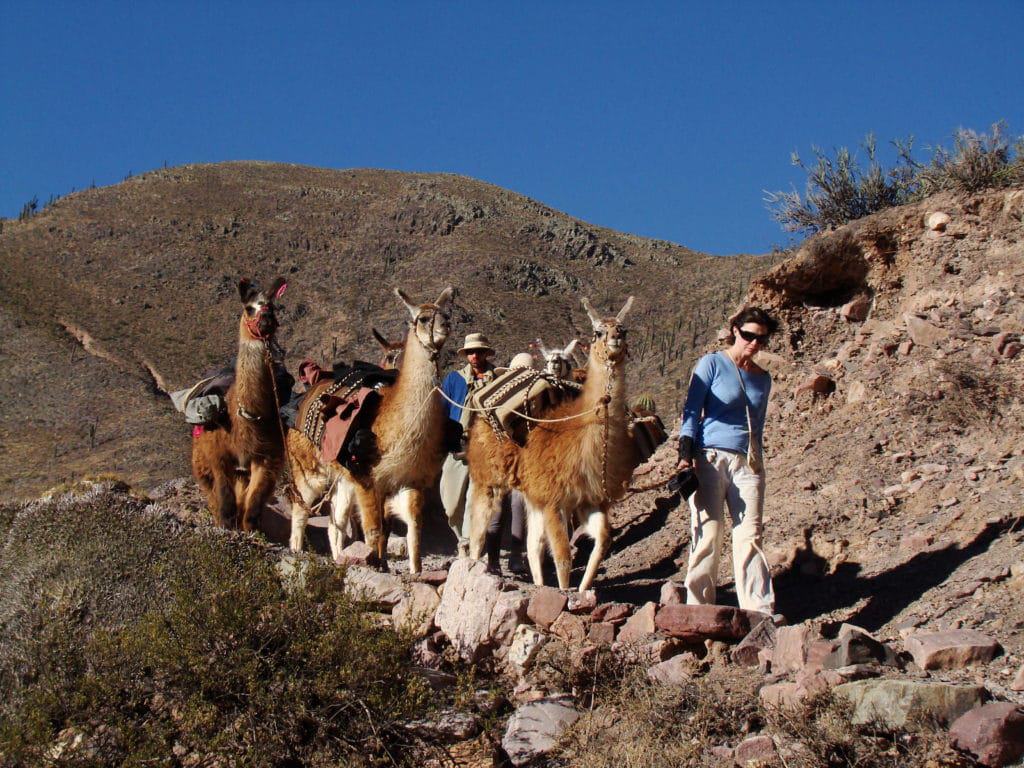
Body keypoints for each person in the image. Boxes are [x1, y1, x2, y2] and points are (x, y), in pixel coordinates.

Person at [676, 307, 779, 615]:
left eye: (761, 338)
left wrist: (757, 459)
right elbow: (691, 411)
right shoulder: (712, 363)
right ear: (735, 330)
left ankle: (759, 611)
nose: (754, 343)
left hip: (748, 463)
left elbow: (757, 425)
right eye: (749, 335)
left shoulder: (763, 379)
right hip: (709, 457)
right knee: (708, 531)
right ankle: (699, 610)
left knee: (750, 534)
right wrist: (684, 458)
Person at [440, 332, 497, 556]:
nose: (474, 355)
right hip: (457, 445)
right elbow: (443, 411)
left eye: (478, 351)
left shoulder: (497, 379)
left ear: (485, 353)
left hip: (484, 447)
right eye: (470, 352)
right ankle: (461, 537)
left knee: (475, 501)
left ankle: (466, 545)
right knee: (451, 506)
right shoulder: (454, 380)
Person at [484, 351, 534, 577]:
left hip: (522, 461)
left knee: (517, 505)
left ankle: (514, 557)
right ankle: (493, 560)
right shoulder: (497, 397)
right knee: (497, 508)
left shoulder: (535, 399)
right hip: (500, 460)